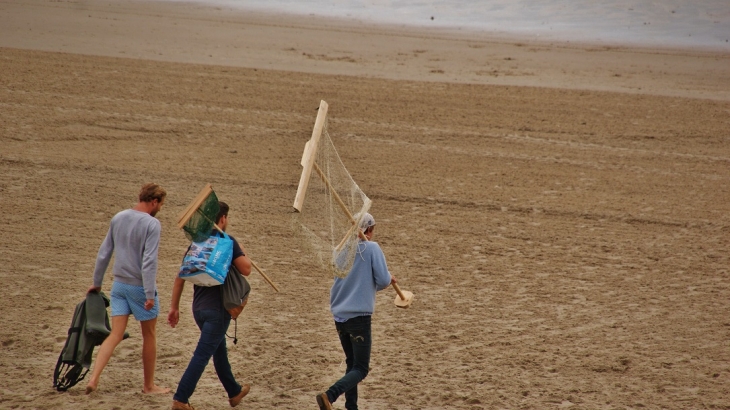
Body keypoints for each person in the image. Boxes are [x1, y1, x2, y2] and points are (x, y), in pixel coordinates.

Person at [85, 182, 169, 394]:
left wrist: (97, 282)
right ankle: (149, 386)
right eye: (160, 205)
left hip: (119, 285)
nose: (160, 209)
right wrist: (149, 293)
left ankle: (94, 378)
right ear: (154, 201)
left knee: (115, 334)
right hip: (140, 287)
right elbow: (149, 261)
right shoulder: (152, 224)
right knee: (149, 335)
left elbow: (104, 253)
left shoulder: (119, 217)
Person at [168, 201, 252, 410]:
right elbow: (247, 269)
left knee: (218, 350)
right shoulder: (227, 241)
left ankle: (234, 392)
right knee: (202, 355)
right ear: (222, 219)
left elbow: (181, 276)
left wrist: (174, 307)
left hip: (199, 309)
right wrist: (241, 249)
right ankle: (180, 399)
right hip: (217, 311)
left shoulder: (198, 241)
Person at [316, 212, 397, 410]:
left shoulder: (341, 249)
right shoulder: (371, 248)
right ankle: (330, 395)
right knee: (361, 368)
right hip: (358, 317)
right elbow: (382, 280)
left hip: (340, 316)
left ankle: (351, 406)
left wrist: (385, 279)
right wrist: (389, 278)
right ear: (368, 230)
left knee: (352, 363)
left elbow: (357, 281)